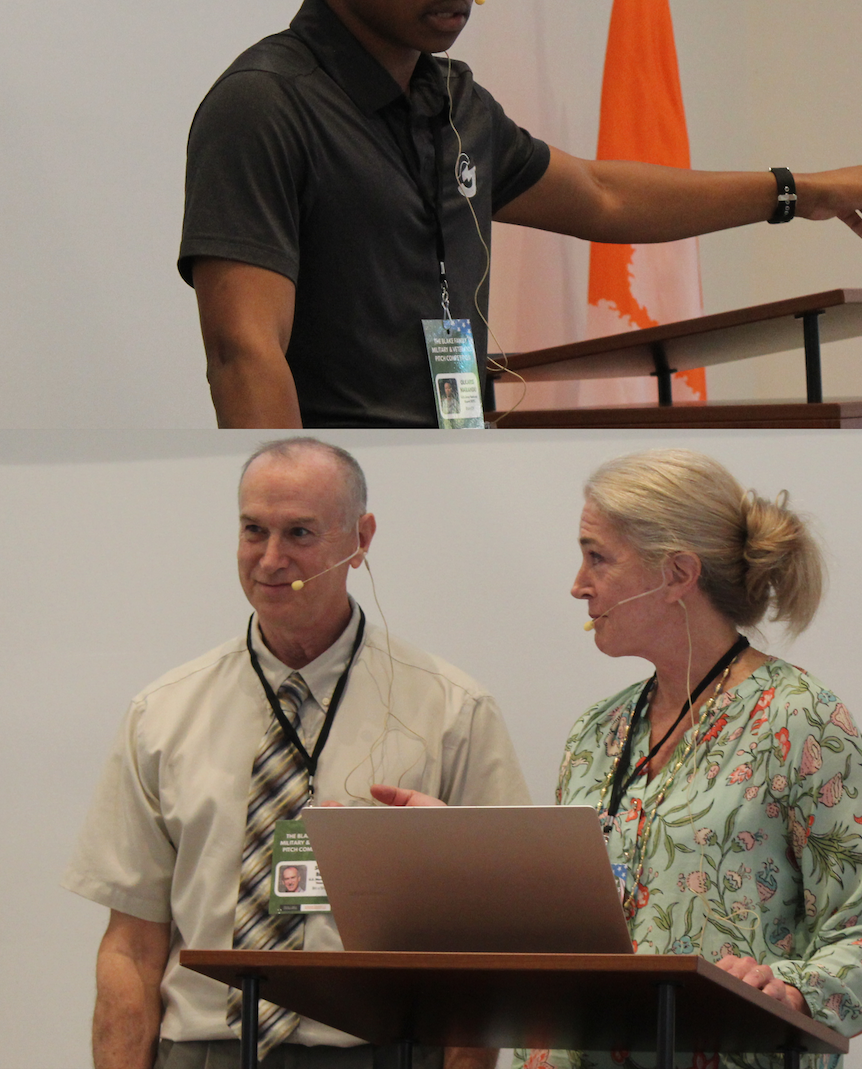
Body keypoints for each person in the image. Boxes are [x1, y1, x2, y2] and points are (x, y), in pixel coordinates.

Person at [181, 0, 862, 428]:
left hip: (462, 473)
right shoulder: (266, 104)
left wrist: (797, 192)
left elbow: (602, 195)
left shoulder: (455, 104)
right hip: (347, 503)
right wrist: (300, 519)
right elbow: (243, 352)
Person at [374, 449, 862, 1062]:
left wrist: (791, 990)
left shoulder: (800, 718)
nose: (577, 585)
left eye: (597, 557)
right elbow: (567, 930)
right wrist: (461, 853)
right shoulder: (597, 733)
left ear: (677, 573)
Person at [64, 437, 533, 1069]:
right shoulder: (162, 715)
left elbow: (492, 942)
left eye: (300, 534)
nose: (270, 559)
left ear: (361, 539)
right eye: (253, 531)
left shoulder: (450, 711)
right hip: (206, 1050)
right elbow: (132, 946)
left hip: (378, 1051)